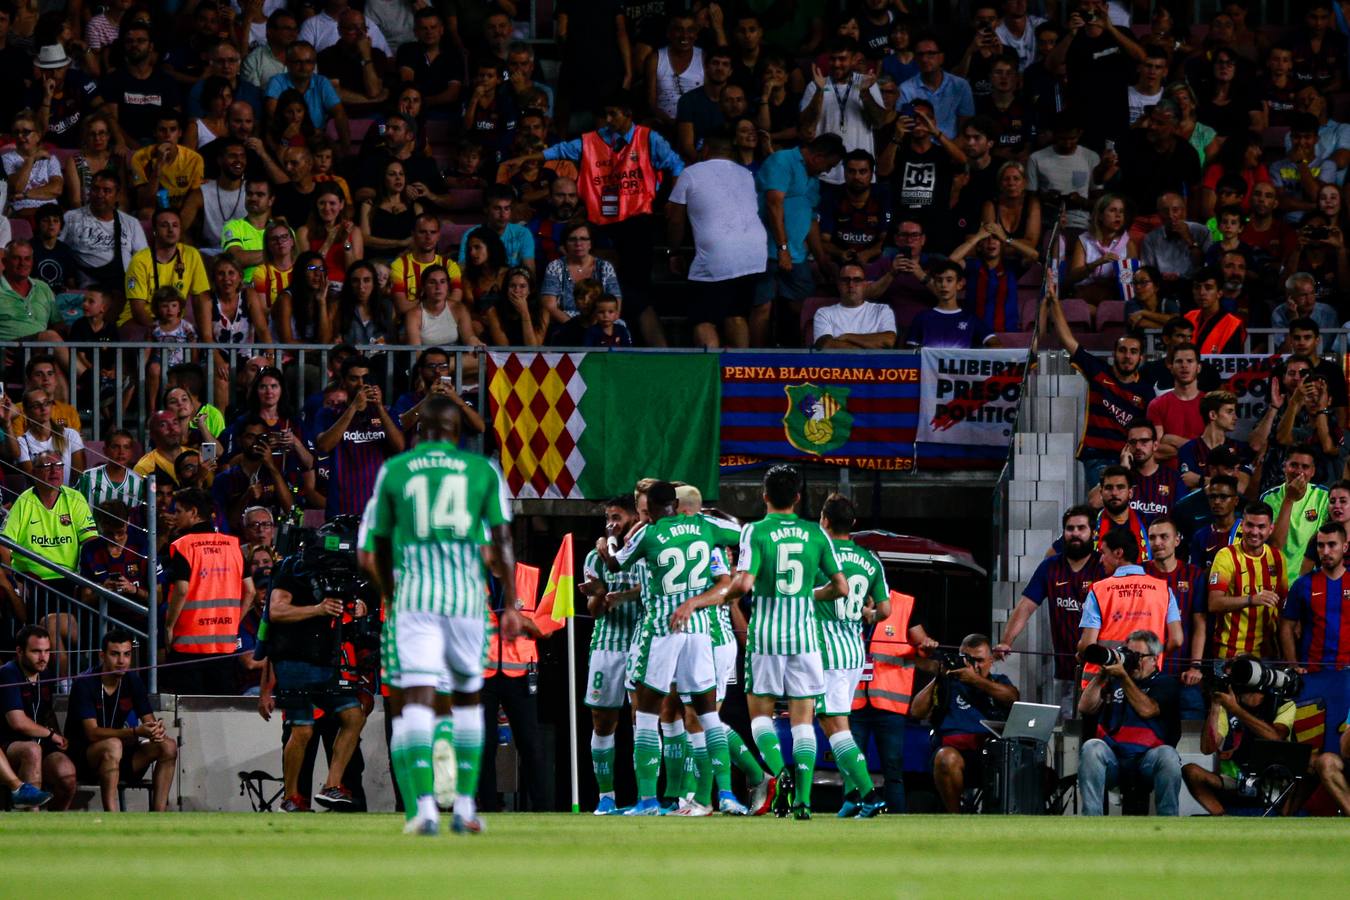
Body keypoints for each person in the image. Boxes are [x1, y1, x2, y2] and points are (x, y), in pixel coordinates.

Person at [359, 392, 522, 835]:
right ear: (457, 431)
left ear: (418, 431)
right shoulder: (480, 470)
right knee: (469, 699)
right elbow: (503, 541)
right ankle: (466, 806)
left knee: (414, 701)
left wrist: (393, 593)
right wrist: (510, 601)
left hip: (412, 603)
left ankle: (423, 808)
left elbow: (370, 552)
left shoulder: (393, 471)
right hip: (467, 602)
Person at [723, 465, 848, 819]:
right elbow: (841, 588)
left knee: (760, 718)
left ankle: (782, 777)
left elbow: (745, 585)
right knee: (803, 721)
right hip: (806, 640)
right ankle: (804, 801)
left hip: (765, 638)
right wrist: (809, 595)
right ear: (797, 497)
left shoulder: (755, 531)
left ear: (764, 496)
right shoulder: (815, 534)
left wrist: (717, 596)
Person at [514, 90, 683, 347]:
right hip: (603, 224)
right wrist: (528, 157)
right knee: (606, 284)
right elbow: (559, 150)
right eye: (605, 114)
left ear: (627, 115)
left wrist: (672, 200)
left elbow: (677, 166)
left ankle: (636, 343)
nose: (607, 119)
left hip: (638, 224)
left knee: (637, 291)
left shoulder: (648, 139)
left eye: (613, 113)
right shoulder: (592, 140)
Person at [263, 516, 371, 811]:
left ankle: (333, 785)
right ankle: (292, 797)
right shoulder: (292, 568)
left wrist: (355, 608)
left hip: (326, 661)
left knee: (353, 716)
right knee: (303, 730)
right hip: (294, 660)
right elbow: (276, 611)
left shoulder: (344, 574)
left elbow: (344, 614)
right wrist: (317, 609)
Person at [811, 493, 895, 817]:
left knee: (834, 725)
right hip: (854, 650)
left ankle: (870, 794)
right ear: (854, 524)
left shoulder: (820, 554)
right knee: (837, 723)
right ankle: (851, 796)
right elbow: (885, 609)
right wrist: (870, 616)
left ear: (825, 521)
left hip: (826, 648)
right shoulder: (870, 560)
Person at [1042, 289, 1153, 488]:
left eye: (1133, 352)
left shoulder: (1145, 391)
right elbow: (1068, 340)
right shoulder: (1099, 371)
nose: (1127, 356)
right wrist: (1054, 301)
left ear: (1141, 358)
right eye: (1123, 350)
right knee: (1102, 504)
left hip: (1130, 460)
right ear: (1114, 354)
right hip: (1097, 456)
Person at [997, 505, 1104, 710]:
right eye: (1070, 528)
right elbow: (1025, 607)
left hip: (1100, 673)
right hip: (1064, 673)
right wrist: (1006, 641)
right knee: (1066, 734)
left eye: (1081, 528)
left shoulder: (1103, 566)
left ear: (1093, 532)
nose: (1075, 533)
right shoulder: (1050, 566)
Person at [665, 135, 767, 349]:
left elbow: (674, 218)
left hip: (718, 253)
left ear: (706, 150)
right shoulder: (745, 173)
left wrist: (673, 251)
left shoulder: (691, 173)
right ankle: (739, 373)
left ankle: (712, 372)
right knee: (736, 315)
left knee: (702, 319)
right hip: (754, 253)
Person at [579, 495, 644, 815]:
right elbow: (594, 611)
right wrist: (599, 597)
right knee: (603, 722)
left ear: (634, 517)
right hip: (607, 645)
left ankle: (647, 797)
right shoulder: (594, 557)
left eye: (617, 517)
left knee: (642, 722)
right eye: (608, 518)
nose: (611, 523)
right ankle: (606, 797)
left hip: (643, 643)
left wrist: (629, 596)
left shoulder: (646, 552)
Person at [66, 628, 177, 812]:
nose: (121, 661)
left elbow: (148, 720)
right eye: (115, 654)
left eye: (126, 655)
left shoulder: (132, 680)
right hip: (86, 759)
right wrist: (135, 732)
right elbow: (92, 733)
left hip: (122, 755)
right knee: (113, 745)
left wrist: (156, 729)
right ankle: (113, 815)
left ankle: (159, 814)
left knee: (168, 746)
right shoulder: (84, 683)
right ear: (102, 655)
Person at [752, 134, 845, 346]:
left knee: (803, 307)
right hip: (766, 251)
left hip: (797, 255)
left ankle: (798, 358)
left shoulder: (812, 178)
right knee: (763, 307)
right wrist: (782, 248)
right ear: (818, 157)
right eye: (829, 165)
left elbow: (811, 218)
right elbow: (774, 204)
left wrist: (821, 259)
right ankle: (755, 363)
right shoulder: (782, 160)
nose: (828, 171)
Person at [1077, 630, 1183, 816]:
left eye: (1138, 656)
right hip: (1114, 760)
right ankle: (1091, 820)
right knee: (1092, 747)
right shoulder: (1115, 680)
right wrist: (1103, 675)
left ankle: (1169, 821)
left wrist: (1124, 678)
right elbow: (1085, 708)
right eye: (1128, 653)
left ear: (1154, 659)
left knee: (1169, 756)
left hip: (1147, 762)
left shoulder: (1165, 683)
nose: (1132, 660)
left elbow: (1147, 709)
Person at [910, 633, 1018, 814]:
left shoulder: (998, 681)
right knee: (946, 758)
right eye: (968, 659)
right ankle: (956, 818)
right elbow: (916, 711)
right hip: (955, 753)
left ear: (991, 660)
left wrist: (976, 680)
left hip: (993, 754)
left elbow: (1012, 698)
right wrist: (940, 677)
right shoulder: (948, 683)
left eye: (980, 660)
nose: (975, 666)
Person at [163, 487, 253, 695]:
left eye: (178, 511)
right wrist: (233, 622)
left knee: (188, 714)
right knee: (219, 711)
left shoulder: (183, 545)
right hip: (224, 646)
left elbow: (182, 589)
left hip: (187, 645)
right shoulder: (233, 545)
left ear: (193, 513)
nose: (174, 517)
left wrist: (169, 625)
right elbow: (250, 591)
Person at [1181, 654, 1296, 815]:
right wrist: (1215, 705)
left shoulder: (1282, 704)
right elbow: (1207, 749)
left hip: (1274, 780)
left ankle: (1284, 820)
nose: (1229, 677)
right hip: (1237, 779)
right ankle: (1223, 818)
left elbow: (1276, 737)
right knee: (1191, 771)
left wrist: (1236, 710)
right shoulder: (1226, 702)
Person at [0, 450, 98, 622]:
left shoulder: (75, 498)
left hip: (68, 578)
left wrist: (88, 576)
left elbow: (91, 541)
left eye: (58, 466)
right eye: (47, 466)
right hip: (32, 580)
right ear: (34, 472)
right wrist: (12, 581)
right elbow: (4, 545)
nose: (54, 471)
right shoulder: (24, 500)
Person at [315, 355, 404, 519]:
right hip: (341, 508)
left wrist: (379, 408)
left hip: (378, 509)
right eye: (354, 379)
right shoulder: (328, 413)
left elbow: (399, 447)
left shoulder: (387, 412)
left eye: (365, 378)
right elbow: (324, 446)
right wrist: (354, 407)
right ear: (343, 381)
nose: (361, 384)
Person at [0, 625, 76, 810]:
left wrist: (58, 735)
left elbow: (48, 713)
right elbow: (17, 722)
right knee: (32, 750)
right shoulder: (8, 673)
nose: (43, 657)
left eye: (47, 651)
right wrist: (51, 734)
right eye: (36, 651)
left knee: (67, 774)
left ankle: (52, 827)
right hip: (9, 745)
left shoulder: (46, 675)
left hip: (41, 744)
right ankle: (31, 819)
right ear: (19, 651)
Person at [1208, 501, 1287, 660]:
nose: (1254, 532)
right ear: (1242, 525)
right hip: (1229, 653)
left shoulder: (1278, 558)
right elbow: (1214, 604)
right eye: (1250, 525)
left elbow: (1282, 604)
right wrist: (1251, 599)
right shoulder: (1226, 556)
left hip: (1267, 654)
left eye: (1261, 527)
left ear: (1270, 529)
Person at [1281, 522, 1350, 672]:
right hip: (1312, 670)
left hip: (1347, 671)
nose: (1325, 551)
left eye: (1332, 545)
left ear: (1345, 547)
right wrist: (1293, 666)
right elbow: (1286, 626)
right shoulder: (1302, 585)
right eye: (1320, 545)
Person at [906, 258, 999, 349]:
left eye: (949, 280)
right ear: (934, 283)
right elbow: (910, 353)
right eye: (939, 280)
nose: (943, 285)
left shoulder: (970, 319)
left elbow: (995, 343)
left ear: (960, 284)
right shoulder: (922, 317)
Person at [1118, 419, 1185, 523]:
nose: (1138, 447)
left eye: (1144, 441)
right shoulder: (1122, 475)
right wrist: (1123, 471)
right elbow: (1094, 502)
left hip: (1161, 537)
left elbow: (1183, 516)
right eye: (1133, 442)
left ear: (1155, 445)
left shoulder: (1172, 478)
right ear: (1126, 447)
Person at [76, 429, 144, 508]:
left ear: (131, 452)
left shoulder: (138, 482)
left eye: (126, 447)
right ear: (105, 451)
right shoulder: (87, 477)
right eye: (115, 447)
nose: (121, 452)